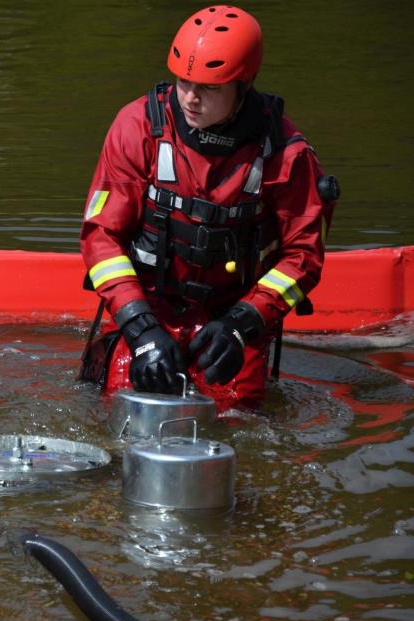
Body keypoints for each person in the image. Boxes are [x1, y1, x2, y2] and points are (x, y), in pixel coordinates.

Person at [78, 5, 338, 410]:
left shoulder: (286, 154)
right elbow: (101, 236)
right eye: (184, 81)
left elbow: (303, 255)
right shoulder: (137, 128)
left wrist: (243, 323)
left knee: (236, 415)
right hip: (149, 306)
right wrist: (140, 327)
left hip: (233, 316)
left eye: (210, 88)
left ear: (243, 84)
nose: (191, 98)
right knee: (121, 405)